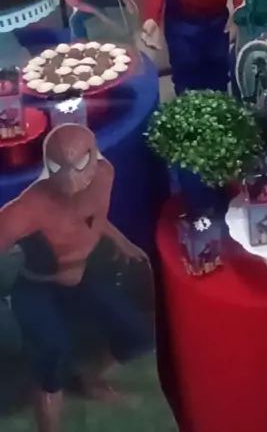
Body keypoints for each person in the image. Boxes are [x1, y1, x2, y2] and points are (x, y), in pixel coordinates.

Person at [0, 124, 154, 432]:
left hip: (82, 275)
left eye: (80, 163)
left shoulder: (104, 175)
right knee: (52, 354)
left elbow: (93, 216)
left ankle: (89, 381)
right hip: (36, 285)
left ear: (94, 156)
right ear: (47, 163)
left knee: (136, 333)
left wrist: (121, 240)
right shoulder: (24, 210)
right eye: (59, 166)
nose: (70, 177)